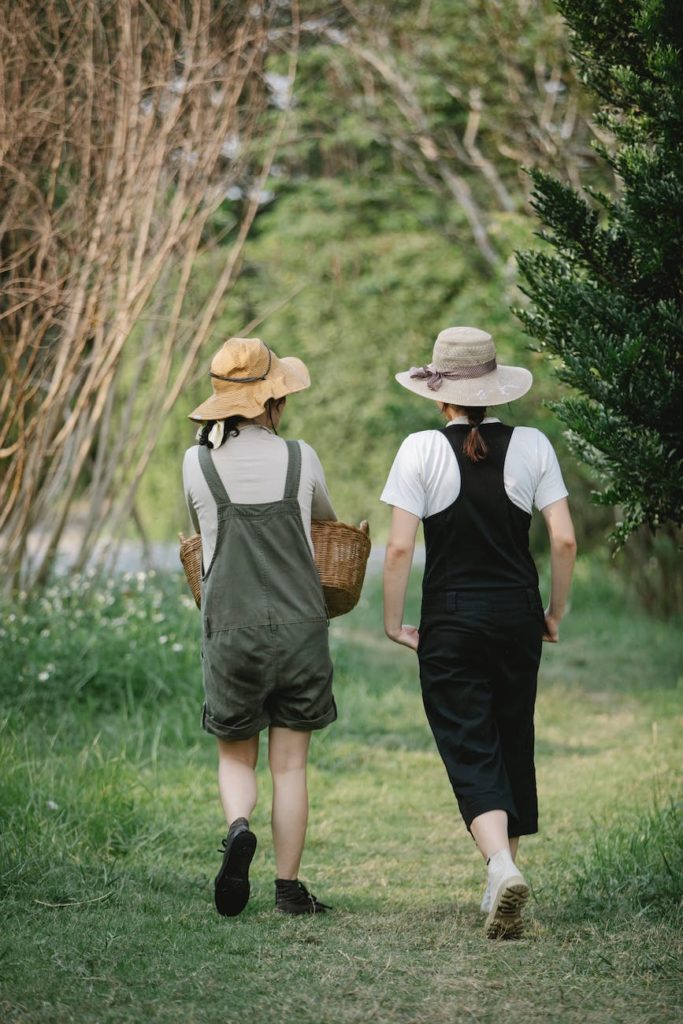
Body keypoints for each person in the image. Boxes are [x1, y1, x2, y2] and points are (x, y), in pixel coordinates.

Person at [381, 326, 576, 940]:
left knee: (469, 741)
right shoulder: (535, 445)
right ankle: (504, 874)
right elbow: (564, 539)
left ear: (441, 398)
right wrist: (554, 612)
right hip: (518, 612)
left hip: (451, 616)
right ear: (492, 393)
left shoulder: (418, 450)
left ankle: (499, 867)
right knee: (510, 734)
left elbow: (397, 549)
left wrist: (393, 622)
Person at [183, 336, 337, 917]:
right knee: (291, 764)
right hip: (300, 629)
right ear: (272, 400)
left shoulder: (196, 463)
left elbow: (199, 537)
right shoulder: (300, 457)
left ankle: (239, 827)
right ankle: (289, 889)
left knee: (235, 758)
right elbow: (326, 519)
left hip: (231, 631)